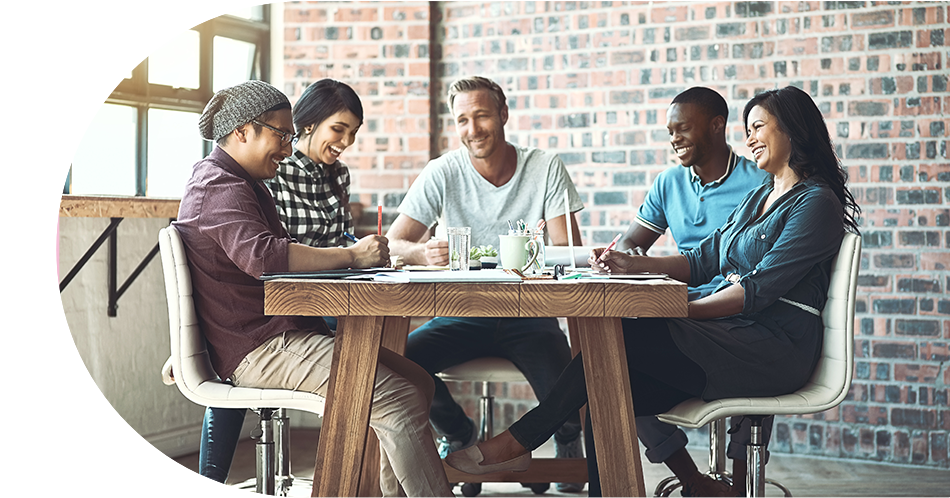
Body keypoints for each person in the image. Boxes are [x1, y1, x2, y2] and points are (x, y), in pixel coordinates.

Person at [445, 84, 860, 498]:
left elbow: (758, 289)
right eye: (747, 129)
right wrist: (635, 263)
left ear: (792, 130)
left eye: (759, 127)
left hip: (771, 347)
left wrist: (676, 307)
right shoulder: (760, 198)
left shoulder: (815, 202)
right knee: (605, 388)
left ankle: (519, 442)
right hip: (734, 335)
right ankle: (578, 474)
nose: (749, 138)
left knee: (621, 335)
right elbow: (702, 259)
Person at [175, 80, 453, 498]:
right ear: (242, 131)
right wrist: (352, 257)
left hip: (281, 333)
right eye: (282, 135)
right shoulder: (217, 184)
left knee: (417, 383)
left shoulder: (241, 183)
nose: (288, 148)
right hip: (260, 347)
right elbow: (266, 257)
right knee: (395, 397)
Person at [386, 75, 586, 492]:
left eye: (481, 116)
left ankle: (567, 437)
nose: (472, 129)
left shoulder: (545, 167)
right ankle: (459, 432)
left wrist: (540, 255)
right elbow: (394, 243)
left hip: (530, 315)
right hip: (463, 313)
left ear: (503, 115)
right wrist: (423, 253)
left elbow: (569, 253)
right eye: (462, 119)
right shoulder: (442, 171)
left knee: (572, 389)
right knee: (396, 364)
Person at [191, 79, 367, 498]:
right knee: (378, 378)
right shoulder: (247, 178)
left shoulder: (312, 175)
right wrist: (352, 257)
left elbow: (329, 239)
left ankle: (356, 480)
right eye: (338, 129)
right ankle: (211, 484)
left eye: (353, 133)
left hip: (301, 299)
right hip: (275, 313)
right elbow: (266, 256)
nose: (346, 141)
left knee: (390, 360)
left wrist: (354, 254)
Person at [616, 86, 774, 495]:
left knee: (753, 333)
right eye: (670, 132)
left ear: (717, 125)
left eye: (682, 129)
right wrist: (621, 256)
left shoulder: (761, 183)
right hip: (680, 307)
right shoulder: (669, 183)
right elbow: (631, 244)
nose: (674, 139)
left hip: (735, 308)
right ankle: (693, 481)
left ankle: (739, 488)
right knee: (609, 357)